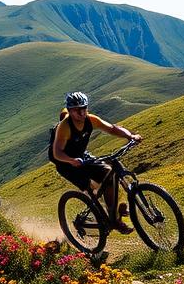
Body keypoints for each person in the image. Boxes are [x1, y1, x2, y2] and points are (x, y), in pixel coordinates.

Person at [49, 91, 143, 233]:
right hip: (65, 162)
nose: (81, 113)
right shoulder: (65, 127)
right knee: (90, 188)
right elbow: (57, 153)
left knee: (109, 175)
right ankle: (102, 218)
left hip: (82, 156)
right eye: (77, 110)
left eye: (84, 108)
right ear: (70, 110)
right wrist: (71, 160)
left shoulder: (90, 119)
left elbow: (111, 129)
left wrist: (130, 136)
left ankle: (114, 215)